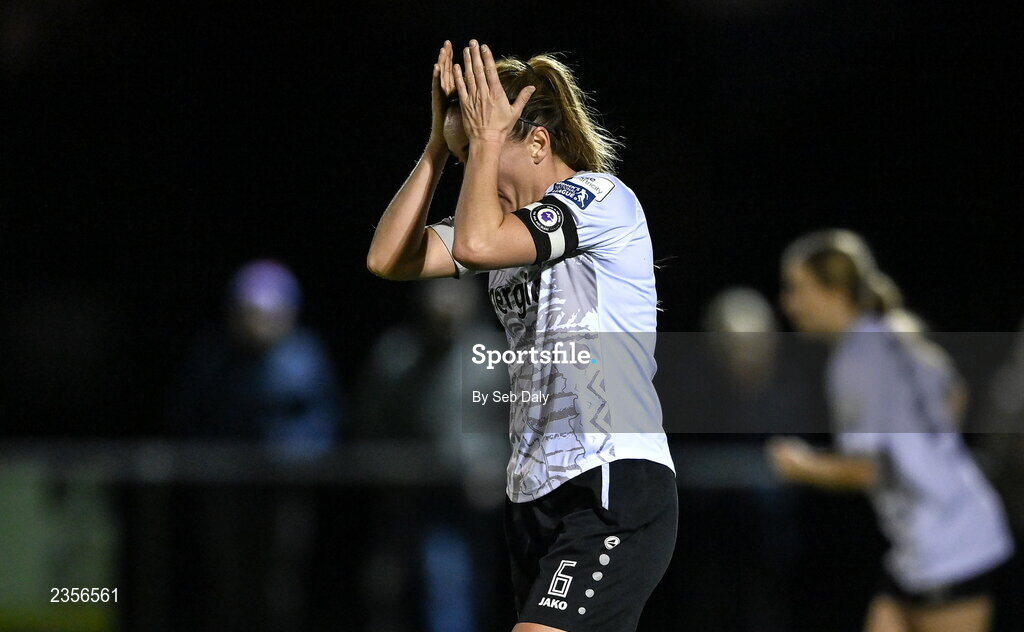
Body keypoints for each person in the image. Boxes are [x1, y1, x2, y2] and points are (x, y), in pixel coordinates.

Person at [367, 40, 677, 632]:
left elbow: (473, 245)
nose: (472, 168)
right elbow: (387, 258)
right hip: (533, 495)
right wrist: (438, 148)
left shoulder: (600, 200)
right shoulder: (501, 227)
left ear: (538, 142)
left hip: (609, 480)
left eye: (479, 150)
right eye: (463, 158)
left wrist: (479, 144)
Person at [766, 229, 1014, 632]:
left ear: (834, 291)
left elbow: (867, 470)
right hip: (923, 546)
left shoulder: (855, 361)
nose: (789, 304)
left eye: (798, 288)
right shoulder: (892, 332)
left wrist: (800, 466)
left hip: (951, 549)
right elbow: (955, 393)